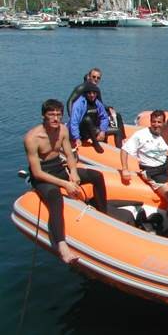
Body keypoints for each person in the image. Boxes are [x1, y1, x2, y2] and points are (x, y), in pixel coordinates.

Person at [24, 99, 107, 263]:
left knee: (97, 176)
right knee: (55, 195)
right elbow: (37, 173)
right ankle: (62, 246)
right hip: (43, 175)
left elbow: (69, 154)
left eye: (59, 115)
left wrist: (73, 172)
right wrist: (66, 184)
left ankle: (103, 214)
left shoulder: (62, 129)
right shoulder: (32, 138)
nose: (56, 118)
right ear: (43, 116)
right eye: (51, 115)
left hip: (59, 168)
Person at [121, 110, 168, 229]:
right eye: (154, 122)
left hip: (165, 165)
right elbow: (124, 150)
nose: (156, 125)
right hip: (153, 171)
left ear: (163, 123)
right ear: (150, 122)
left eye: (159, 122)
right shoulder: (141, 135)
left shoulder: (166, 134)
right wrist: (125, 169)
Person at [68, 83, 109, 153]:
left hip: (91, 130)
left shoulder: (97, 103)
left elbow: (104, 117)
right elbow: (74, 122)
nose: (92, 95)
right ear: (86, 93)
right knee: (87, 119)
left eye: (94, 93)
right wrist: (76, 138)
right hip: (80, 131)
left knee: (117, 131)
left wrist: (103, 131)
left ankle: (117, 150)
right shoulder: (79, 103)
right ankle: (95, 143)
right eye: (89, 93)